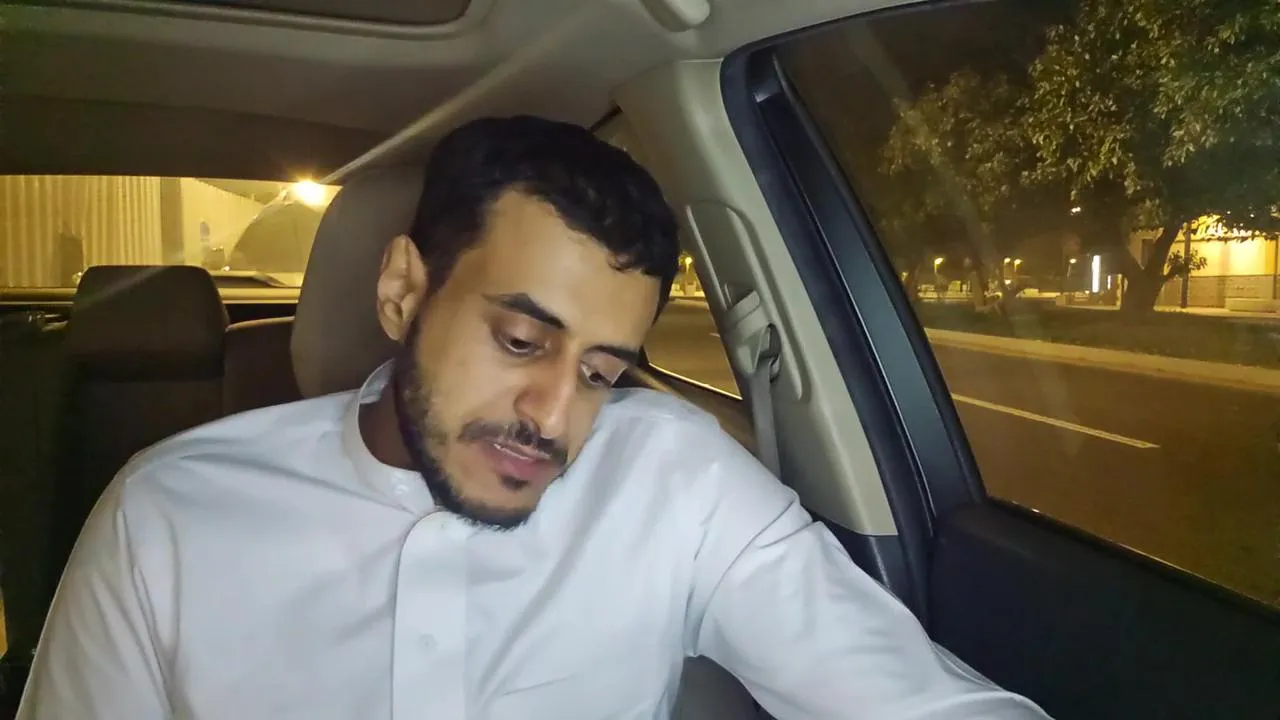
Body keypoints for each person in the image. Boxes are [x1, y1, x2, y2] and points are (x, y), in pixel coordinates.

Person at [18, 116, 1050, 719]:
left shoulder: (675, 480)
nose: (555, 418)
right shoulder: (169, 515)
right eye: (520, 341)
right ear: (402, 292)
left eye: (600, 371)